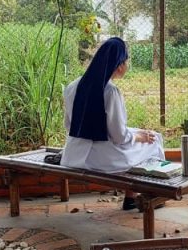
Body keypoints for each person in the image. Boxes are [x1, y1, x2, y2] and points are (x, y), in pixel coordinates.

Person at [61, 37, 165, 211]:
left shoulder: (72, 86)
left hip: (73, 154)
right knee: (153, 140)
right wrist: (139, 137)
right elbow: (119, 136)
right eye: (126, 61)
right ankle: (148, 196)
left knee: (140, 136)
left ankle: (132, 197)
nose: (127, 65)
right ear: (119, 65)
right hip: (101, 159)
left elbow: (68, 125)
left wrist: (134, 135)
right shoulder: (110, 91)